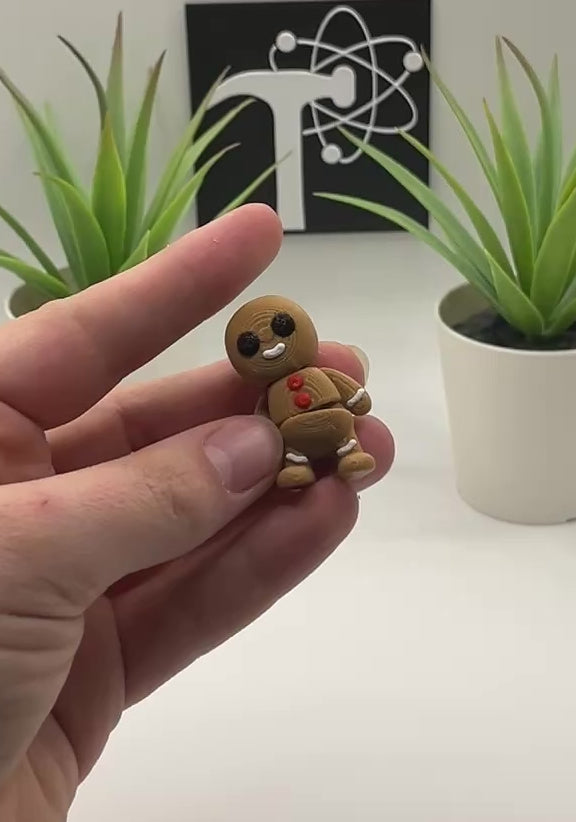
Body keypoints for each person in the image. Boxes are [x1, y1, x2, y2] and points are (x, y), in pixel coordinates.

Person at [0, 204, 394, 820]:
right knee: (291, 456)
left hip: (331, 424)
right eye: (252, 342)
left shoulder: (315, 375)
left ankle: (345, 454)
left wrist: (356, 396)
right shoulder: (267, 395)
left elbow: (350, 393)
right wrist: (250, 447)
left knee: (344, 440)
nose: (270, 343)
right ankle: (297, 462)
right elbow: (262, 421)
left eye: (278, 329)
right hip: (292, 438)